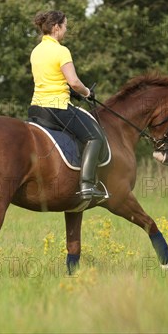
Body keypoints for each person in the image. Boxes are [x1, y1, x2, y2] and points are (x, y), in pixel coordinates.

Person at [28, 10, 108, 201]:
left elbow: (50, 79)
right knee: (95, 137)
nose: (66, 30)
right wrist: (87, 92)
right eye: (65, 26)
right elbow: (74, 81)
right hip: (57, 108)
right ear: (56, 27)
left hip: (36, 109)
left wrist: (72, 93)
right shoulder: (61, 50)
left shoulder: (36, 50)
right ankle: (87, 185)